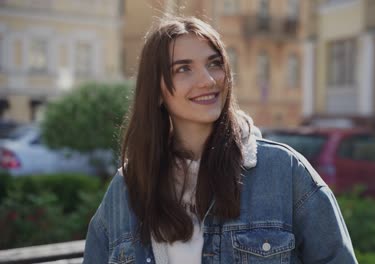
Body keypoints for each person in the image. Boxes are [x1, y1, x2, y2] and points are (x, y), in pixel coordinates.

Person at [83, 16, 357, 264]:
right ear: (156, 91)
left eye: (214, 64)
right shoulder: (127, 189)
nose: (208, 80)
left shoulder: (283, 171)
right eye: (183, 69)